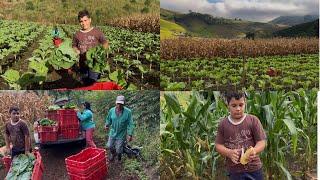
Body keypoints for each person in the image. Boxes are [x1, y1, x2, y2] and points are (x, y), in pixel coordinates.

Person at [215, 92, 266, 180]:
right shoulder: (223, 124)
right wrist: (229, 153)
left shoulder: (253, 120)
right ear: (228, 106)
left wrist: (254, 150)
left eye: (241, 105)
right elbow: (218, 145)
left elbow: (261, 142)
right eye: (234, 106)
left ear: (245, 103)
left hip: (254, 168)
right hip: (234, 170)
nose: (238, 109)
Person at [72, 10, 109, 85]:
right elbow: (74, 45)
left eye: (85, 20)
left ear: (90, 20)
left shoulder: (97, 32)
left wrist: (100, 52)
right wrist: (76, 50)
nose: (83, 23)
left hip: (95, 64)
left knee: (93, 83)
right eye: (81, 21)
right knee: (85, 83)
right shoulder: (77, 34)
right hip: (83, 63)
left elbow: (105, 42)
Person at [105, 95, 134, 161]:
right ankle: (113, 154)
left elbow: (130, 124)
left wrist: (130, 134)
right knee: (109, 146)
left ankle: (119, 156)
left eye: (121, 104)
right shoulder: (111, 110)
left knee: (118, 150)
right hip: (113, 132)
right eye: (118, 104)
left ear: (123, 104)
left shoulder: (128, 112)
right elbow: (108, 119)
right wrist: (107, 125)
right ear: (116, 103)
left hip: (121, 133)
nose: (119, 106)